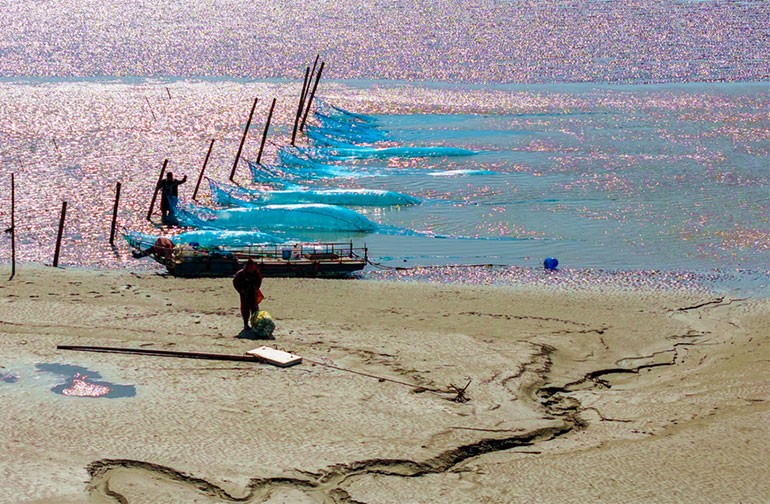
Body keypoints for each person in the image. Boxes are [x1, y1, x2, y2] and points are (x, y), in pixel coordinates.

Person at [232, 259, 264, 331]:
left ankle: (254, 323)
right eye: (250, 267)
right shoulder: (240, 274)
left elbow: (259, 281)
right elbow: (235, 282)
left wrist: (256, 288)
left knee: (255, 309)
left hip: (253, 292)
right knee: (245, 309)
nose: (251, 268)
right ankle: (246, 324)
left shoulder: (256, 273)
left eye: (252, 267)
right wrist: (240, 290)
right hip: (244, 293)